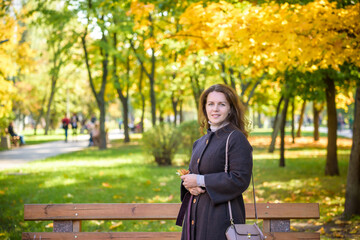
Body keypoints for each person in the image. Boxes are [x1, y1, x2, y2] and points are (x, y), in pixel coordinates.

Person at [176, 84, 253, 240]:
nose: (215, 109)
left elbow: (240, 178)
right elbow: (194, 175)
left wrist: (199, 180)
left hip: (220, 220)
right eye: (210, 104)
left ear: (230, 108)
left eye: (221, 104)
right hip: (195, 217)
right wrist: (190, 185)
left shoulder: (236, 138)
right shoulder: (199, 142)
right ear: (205, 108)